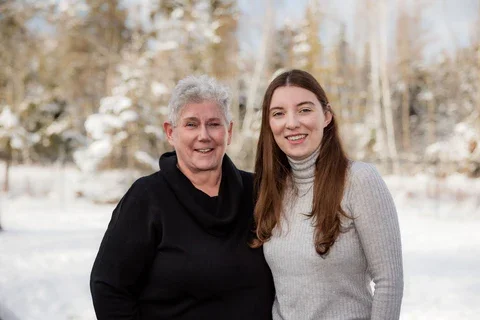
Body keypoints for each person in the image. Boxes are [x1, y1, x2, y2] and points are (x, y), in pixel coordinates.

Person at [90, 75, 274, 320]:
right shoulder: (147, 198)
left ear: (229, 132)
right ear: (170, 132)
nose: (204, 135)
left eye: (214, 124)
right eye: (191, 124)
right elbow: (109, 288)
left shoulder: (258, 192)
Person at [251, 69, 403, 320]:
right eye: (278, 113)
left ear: (326, 116)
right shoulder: (272, 188)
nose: (291, 123)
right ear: (269, 124)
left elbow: (389, 282)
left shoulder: (359, 180)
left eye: (304, 109)